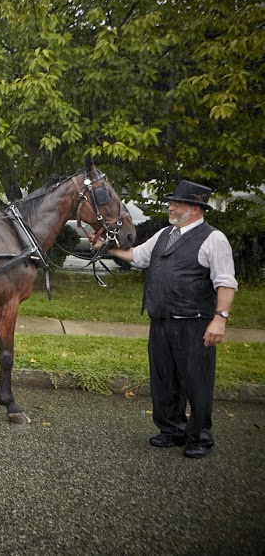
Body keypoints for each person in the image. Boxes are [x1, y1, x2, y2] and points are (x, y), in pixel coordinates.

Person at [108, 180, 237, 459]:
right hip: (161, 321)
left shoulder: (214, 239)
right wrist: (107, 249)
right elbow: (137, 257)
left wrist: (220, 319)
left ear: (194, 208)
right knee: (163, 379)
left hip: (194, 323)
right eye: (171, 201)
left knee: (196, 382)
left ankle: (199, 437)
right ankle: (171, 429)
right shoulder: (165, 233)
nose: (170, 206)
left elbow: (225, 282)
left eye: (176, 202)